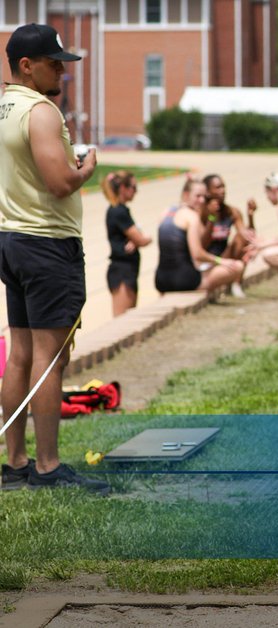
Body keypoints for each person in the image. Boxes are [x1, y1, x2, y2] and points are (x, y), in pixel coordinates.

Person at [0, 23, 108, 494]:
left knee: (20, 353)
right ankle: (47, 467)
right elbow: (60, 183)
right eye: (54, 62)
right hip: (46, 243)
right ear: (27, 65)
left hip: (11, 238)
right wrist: (86, 167)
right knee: (49, 359)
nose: (62, 71)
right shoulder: (41, 112)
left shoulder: (3, 107)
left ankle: (16, 461)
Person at [154, 179, 246, 295]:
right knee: (237, 267)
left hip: (161, 280)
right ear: (186, 195)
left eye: (204, 197)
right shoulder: (192, 217)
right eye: (198, 196)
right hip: (184, 280)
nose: (202, 201)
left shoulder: (166, 212)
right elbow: (197, 254)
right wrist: (221, 261)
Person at [103, 171, 152, 317]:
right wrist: (147, 238)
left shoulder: (121, 210)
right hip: (122, 270)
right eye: (134, 187)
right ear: (123, 188)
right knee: (122, 321)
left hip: (127, 269)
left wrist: (136, 240)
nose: (136, 192)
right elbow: (142, 240)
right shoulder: (118, 212)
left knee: (128, 317)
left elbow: (135, 236)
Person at [202, 173, 254, 298]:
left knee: (241, 239)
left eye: (223, 187)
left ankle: (236, 283)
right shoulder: (202, 212)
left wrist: (251, 216)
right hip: (207, 259)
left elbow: (248, 236)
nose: (223, 191)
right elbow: (202, 244)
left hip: (225, 255)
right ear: (208, 192)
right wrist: (211, 218)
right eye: (218, 187)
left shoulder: (231, 212)